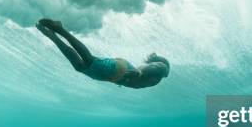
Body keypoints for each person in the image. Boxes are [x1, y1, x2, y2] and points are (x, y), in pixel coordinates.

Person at [36, 18, 169, 89]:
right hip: (119, 70)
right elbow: (159, 69)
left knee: (80, 66)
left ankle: (52, 35)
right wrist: (140, 74)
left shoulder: (153, 78)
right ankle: (59, 29)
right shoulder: (162, 71)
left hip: (115, 75)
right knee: (88, 59)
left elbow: (143, 76)